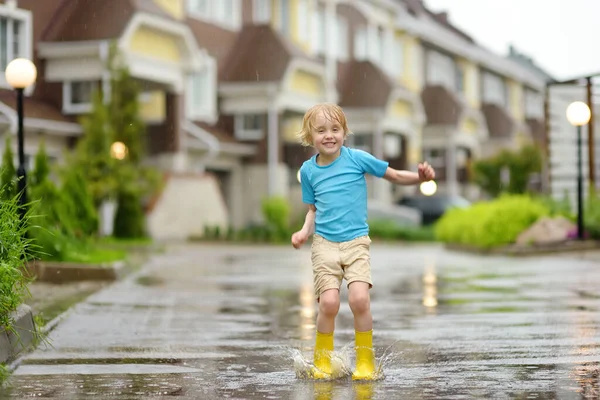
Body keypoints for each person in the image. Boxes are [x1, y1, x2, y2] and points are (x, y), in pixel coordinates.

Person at [291, 103, 435, 381]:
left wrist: (418, 178)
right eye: (321, 131)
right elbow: (312, 210)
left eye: (335, 129)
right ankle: (321, 362)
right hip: (324, 245)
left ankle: (366, 362)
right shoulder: (308, 171)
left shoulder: (356, 158)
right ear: (310, 137)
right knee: (329, 304)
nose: (329, 135)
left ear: (345, 132)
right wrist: (303, 232)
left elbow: (393, 175)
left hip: (356, 243)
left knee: (359, 300)